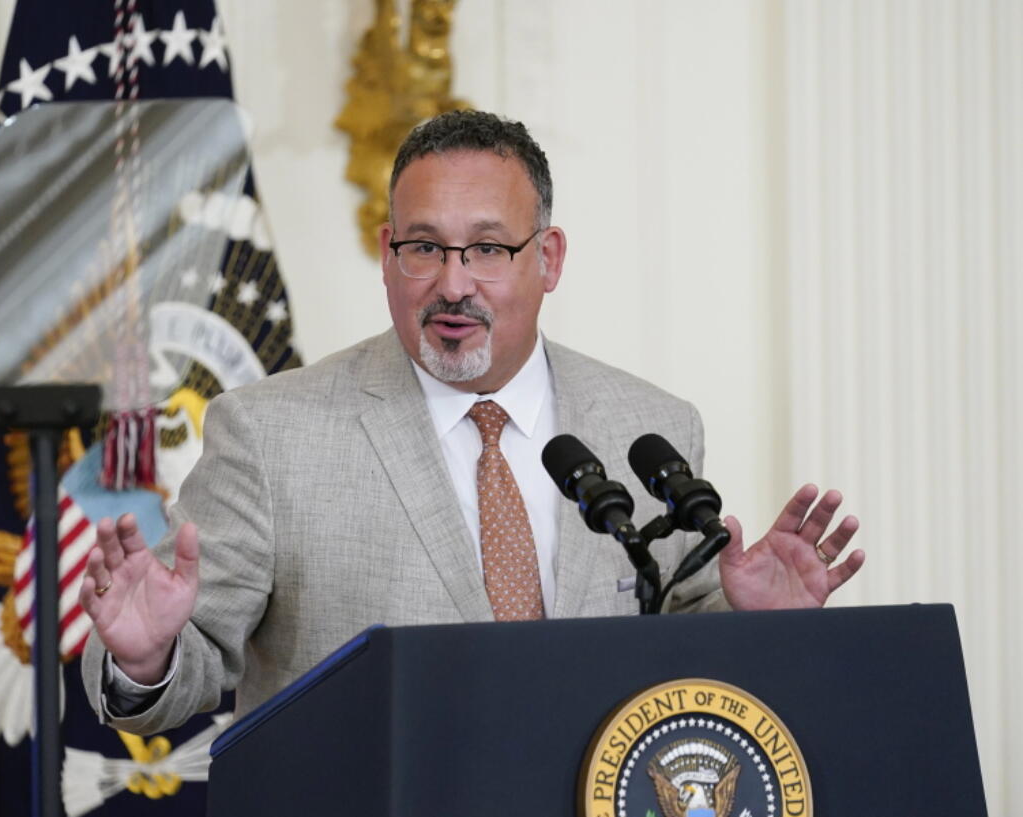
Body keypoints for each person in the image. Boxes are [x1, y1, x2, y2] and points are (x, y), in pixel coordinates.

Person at [79, 111, 864, 733]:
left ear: (548, 258)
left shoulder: (651, 427)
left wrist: (754, 626)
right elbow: (183, 661)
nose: (453, 284)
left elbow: (680, 650)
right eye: (425, 247)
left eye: (488, 248)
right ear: (388, 252)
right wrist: (144, 658)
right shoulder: (271, 434)